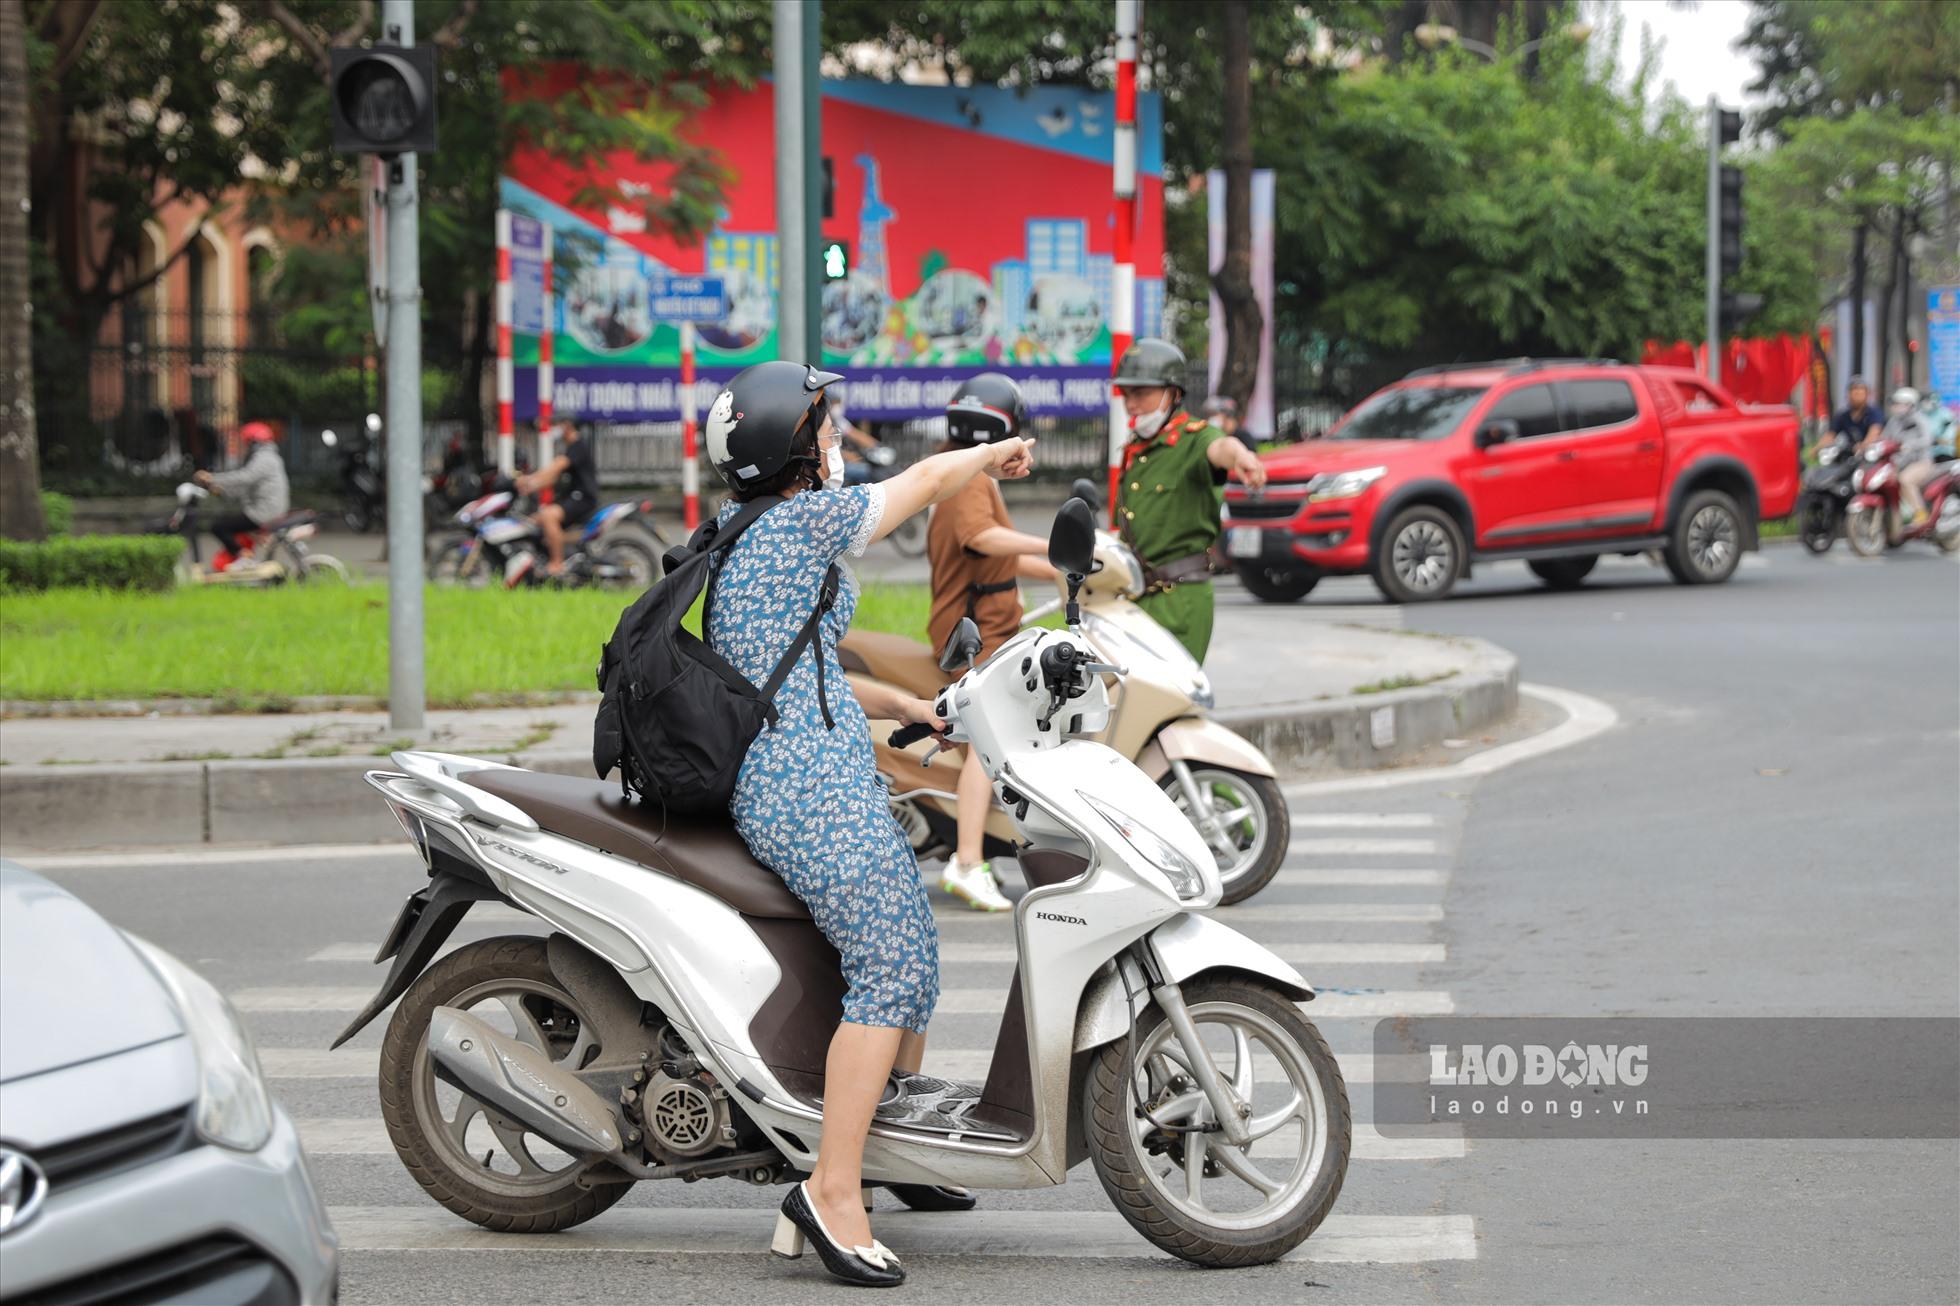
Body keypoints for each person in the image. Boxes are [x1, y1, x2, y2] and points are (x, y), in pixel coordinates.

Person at [702, 360, 1034, 1287]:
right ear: (793, 453)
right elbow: (922, 483)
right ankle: (833, 1187)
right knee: (888, 965)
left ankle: (889, 1148)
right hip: (801, 785)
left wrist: (912, 707)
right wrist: (993, 452)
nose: (840, 442)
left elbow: (798, 671)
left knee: (912, 945)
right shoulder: (798, 519)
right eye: (828, 430)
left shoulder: (750, 531)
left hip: (818, 759)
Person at [926, 373, 1057, 913]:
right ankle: (967, 860)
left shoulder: (968, 472)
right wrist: (1054, 543)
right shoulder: (968, 480)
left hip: (988, 625)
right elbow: (981, 539)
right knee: (990, 739)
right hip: (972, 633)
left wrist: (1067, 567)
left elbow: (999, 558)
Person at [1111, 338, 1268, 661]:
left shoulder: (1194, 440)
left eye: (1141, 393)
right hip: (1135, 598)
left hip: (1179, 600)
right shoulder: (1138, 450)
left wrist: (1242, 457)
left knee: (1170, 703)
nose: (1131, 404)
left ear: (1173, 393)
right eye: (1127, 394)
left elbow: (1220, 448)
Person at [193, 421, 288, 565]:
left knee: (218, 527)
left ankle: (243, 556)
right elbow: (245, 488)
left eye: (246, 442)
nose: (244, 446)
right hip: (267, 510)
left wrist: (212, 477)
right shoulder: (269, 457)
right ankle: (241, 557)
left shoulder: (264, 459)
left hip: (263, 512)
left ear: (254, 442)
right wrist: (219, 489)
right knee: (230, 523)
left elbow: (245, 477)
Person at [515, 418, 599, 577]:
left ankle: (556, 564)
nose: (555, 428)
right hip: (572, 497)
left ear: (567, 426)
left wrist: (528, 479)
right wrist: (530, 487)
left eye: (557, 424)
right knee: (533, 520)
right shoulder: (570, 448)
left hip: (583, 498)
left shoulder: (577, 446)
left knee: (548, 516)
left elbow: (555, 468)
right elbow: (552, 479)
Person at [1882, 387, 1936, 527]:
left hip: (1921, 462)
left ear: (1911, 404)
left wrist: (1910, 445)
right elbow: (1884, 439)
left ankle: (1920, 513)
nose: (1897, 407)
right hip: (1897, 463)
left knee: (1905, 480)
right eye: (1896, 403)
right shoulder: (1893, 422)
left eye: (1900, 403)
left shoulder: (1920, 420)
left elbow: (1927, 439)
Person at [1818, 376, 1882, 459]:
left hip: (1871, 456)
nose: (1857, 394)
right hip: (1849, 455)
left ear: (1867, 395)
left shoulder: (1874, 413)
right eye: (1854, 391)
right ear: (1848, 394)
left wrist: (1863, 446)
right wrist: (1817, 449)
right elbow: (1830, 435)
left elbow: (1874, 433)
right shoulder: (1843, 416)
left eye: (1861, 391)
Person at [1919, 390, 1956, 460]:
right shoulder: (1920, 415)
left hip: (1943, 453)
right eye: (1924, 401)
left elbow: (1949, 436)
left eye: (1928, 401)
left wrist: (1936, 440)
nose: (1925, 404)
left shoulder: (1945, 414)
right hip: (1923, 453)